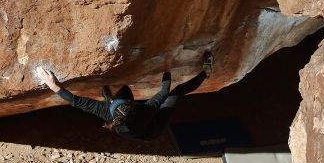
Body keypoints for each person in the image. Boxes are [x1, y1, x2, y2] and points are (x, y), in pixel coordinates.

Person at [35, 51, 214, 141]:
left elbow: (76, 102)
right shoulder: (146, 111)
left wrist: (54, 86)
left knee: (125, 89)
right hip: (153, 128)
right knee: (176, 92)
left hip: (128, 122)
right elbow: (164, 91)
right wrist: (167, 67)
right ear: (133, 106)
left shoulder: (106, 112)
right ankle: (206, 72)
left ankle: (109, 97)